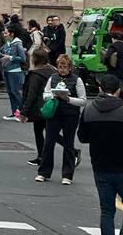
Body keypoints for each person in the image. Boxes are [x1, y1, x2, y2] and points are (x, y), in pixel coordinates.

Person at [77, 74, 123, 235]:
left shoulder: (89, 110)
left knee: (107, 211)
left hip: (100, 166)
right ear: (119, 91)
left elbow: (82, 137)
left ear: (100, 89)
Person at [36, 54, 87, 185]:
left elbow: (83, 101)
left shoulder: (77, 80)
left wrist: (68, 99)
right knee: (48, 143)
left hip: (71, 115)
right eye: (60, 67)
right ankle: (43, 173)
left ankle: (67, 175)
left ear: (70, 68)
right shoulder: (53, 78)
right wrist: (51, 95)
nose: (62, 69)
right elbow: (45, 93)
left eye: (65, 67)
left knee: (68, 145)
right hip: (55, 114)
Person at [20, 48, 58, 166]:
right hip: (52, 105)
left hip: (39, 107)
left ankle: (41, 156)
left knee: (39, 131)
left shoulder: (35, 74)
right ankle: (42, 156)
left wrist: (24, 111)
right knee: (50, 131)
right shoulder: (53, 71)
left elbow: (31, 94)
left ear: (35, 59)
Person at [0, 26, 27, 120]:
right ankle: (14, 113)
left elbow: (23, 58)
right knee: (10, 92)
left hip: (15, 71)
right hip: (6, 70)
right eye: (4, 33)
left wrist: (10, 57)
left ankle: (22, 113)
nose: (4, 35)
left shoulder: (17, 43)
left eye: (6, 33)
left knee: (15, 92)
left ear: (12, 34)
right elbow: (1, 52)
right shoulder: (7, 43)